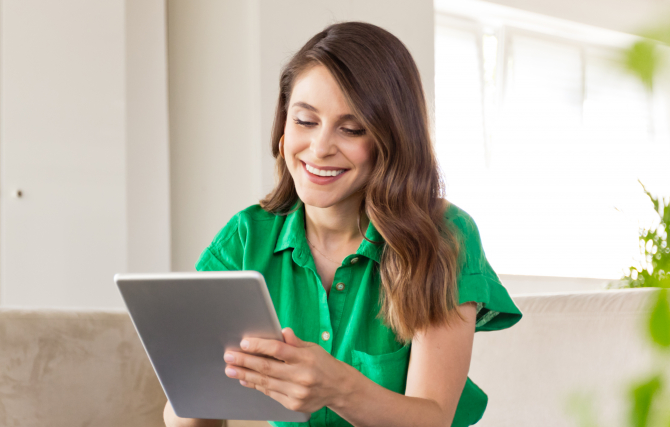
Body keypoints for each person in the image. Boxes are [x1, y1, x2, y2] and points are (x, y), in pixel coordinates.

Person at [164, 22, 522, 427]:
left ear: (393, 141)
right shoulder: (246, 238)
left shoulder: (443, 237)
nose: (319, 148)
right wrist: (191, 394)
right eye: (304, 120)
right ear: (283, 127)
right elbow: (191, 407)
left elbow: (433, 418)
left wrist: (336, 387)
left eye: (351, 129)